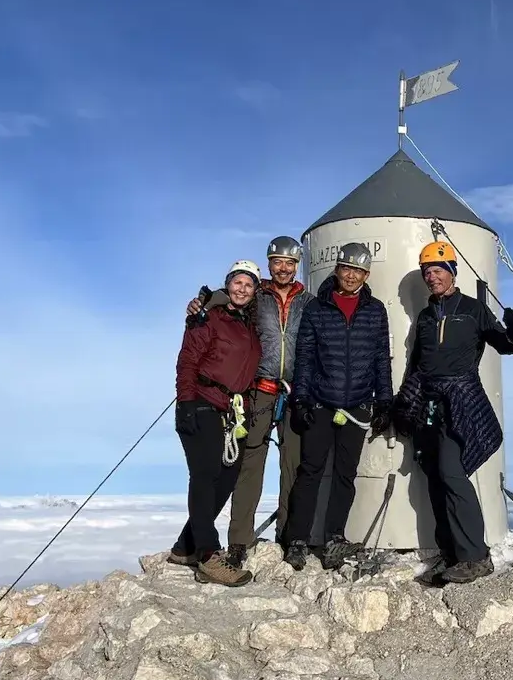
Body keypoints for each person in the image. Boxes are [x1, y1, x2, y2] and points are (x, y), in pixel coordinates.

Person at [393, 240, 513, 585]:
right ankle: (452, 555)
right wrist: (403, 404)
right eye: (427, 272)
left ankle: (475, 556)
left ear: (452, 272)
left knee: (452, 475)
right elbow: (417, 364)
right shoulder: (425, 316)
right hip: (428, 402)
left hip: (461, 400)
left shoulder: (473, 309)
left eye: (437, 270)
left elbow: (506, 345)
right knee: (435, 480)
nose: (431, 277)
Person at [184, 236, 314, 568]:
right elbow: (227, 300)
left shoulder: (309, 302)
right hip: (258, 390)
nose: (283, 268)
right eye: (277, 262)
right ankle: (240, 540)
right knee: (248, 466)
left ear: (297, 265)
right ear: (269, 263)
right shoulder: (259, 298)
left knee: (293, 464)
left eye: (290, 263)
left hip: (296, 391)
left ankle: (289, 536)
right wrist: (204, 300)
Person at [283, 242, 394, 570]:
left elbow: (380, 360)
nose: (351, 275)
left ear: (366, 275)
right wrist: (300, 398)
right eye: (346, 268)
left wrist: (384, 401)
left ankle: (334, 538)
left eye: (358, 271)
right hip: (320, 404)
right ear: (337, 269)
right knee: (310, 473)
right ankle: (298, 540)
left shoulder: (375, 311)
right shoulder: (317, 309)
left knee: (345, 475)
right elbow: (304, 357)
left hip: (358, 405)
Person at [168, 259, 263, 587]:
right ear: (228, 284)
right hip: (202, 402)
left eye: (249, 285)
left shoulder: (247, 326)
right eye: (238, 282)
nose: (242, 288)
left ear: (254, 292)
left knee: (227, 477)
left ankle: (185, 547)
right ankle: (208, 555)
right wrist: (186, 404)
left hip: (230, 411)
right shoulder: (209, 316)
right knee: (206, 474)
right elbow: (188, 360)